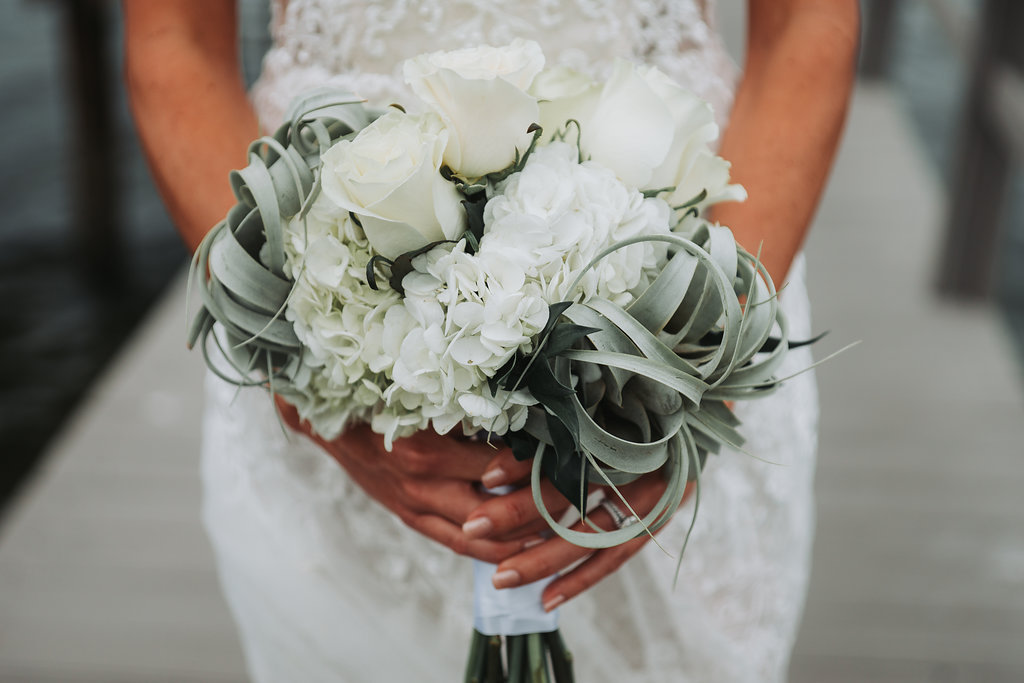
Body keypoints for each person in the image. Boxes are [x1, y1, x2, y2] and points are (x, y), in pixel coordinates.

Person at [123, 1, 858, 680]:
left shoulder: (689, 343)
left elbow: (806, 25)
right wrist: (315, 386)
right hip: (324, 339)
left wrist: (691, 369)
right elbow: (174, 41)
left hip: (679, 292)